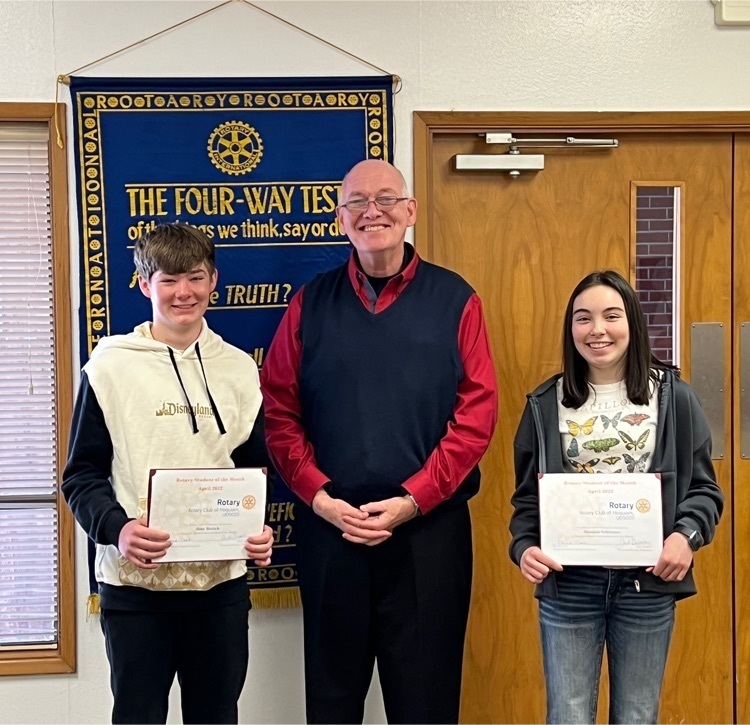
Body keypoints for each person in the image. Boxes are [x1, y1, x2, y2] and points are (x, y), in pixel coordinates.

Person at [260, 159, 498, 724]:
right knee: (332, 702)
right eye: (358, 202)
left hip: (427, 534)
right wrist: (319, 498)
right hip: (331, 530)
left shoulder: (456, 299)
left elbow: (476, 416)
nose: (374, 211)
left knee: (426, 703)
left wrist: (412, 500)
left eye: (387, 199)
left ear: (410, 211)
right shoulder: (309, 304)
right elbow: (279, 411)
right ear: (340, 217)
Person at [62, 222, 274, 724]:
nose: (184, 293)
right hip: (137, 587)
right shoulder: (109, 368)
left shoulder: (240, 368)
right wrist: (119, 529)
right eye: (169, 280)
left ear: (214, 280)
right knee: (138, 716)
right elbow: (81, 475)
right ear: (144, 284)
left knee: (216, 715)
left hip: (220, 588)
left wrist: (255, 529)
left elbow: (250, 469)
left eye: (196, 278)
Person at [509, 269, 724, 724]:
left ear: (634, 323)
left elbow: (705, 490)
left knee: (637, 715)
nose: (597, 330)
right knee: (567, 715)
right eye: (583, 318)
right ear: (571, 330)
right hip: (569, 586)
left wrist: (685, 536)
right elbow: (528, 499)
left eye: (611, 315)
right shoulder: (544, 404)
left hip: (646, 585)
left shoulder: (673, 398)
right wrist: (524, 547)